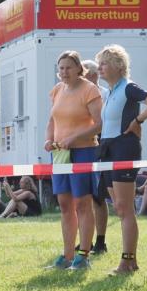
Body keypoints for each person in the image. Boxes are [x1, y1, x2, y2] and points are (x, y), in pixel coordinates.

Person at [97, 44, 147, 275]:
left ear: (118, 66)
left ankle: (127, 261)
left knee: (125, 208)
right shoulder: (111, 91)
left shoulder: (128, 87)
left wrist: (138, 120)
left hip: (123, 148)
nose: (100, 67)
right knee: (120, 207)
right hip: (107, 149)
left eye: (104, 63)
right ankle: (131, 260)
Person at [44, 50, 102, 269]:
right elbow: (52, 120)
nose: (64, 72)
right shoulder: (58, 90)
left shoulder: (89, 90)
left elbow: (99, 124)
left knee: (82, 203)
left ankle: (83, 255)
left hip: (83, 151)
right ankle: (67, 255)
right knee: (65, 204)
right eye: (61, 68)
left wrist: (75, 138)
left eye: (68, 67)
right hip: (60, 153)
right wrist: (49, 140)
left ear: (79, 68)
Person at [83, 59, 110, 254]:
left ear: (92, 75)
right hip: (82, 147)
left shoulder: (105, 94)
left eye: (82, 74)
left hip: (99, 147)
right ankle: (86, 240)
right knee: (84, 198)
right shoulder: (77, 92)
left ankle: (101, 241)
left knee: (98, 197)